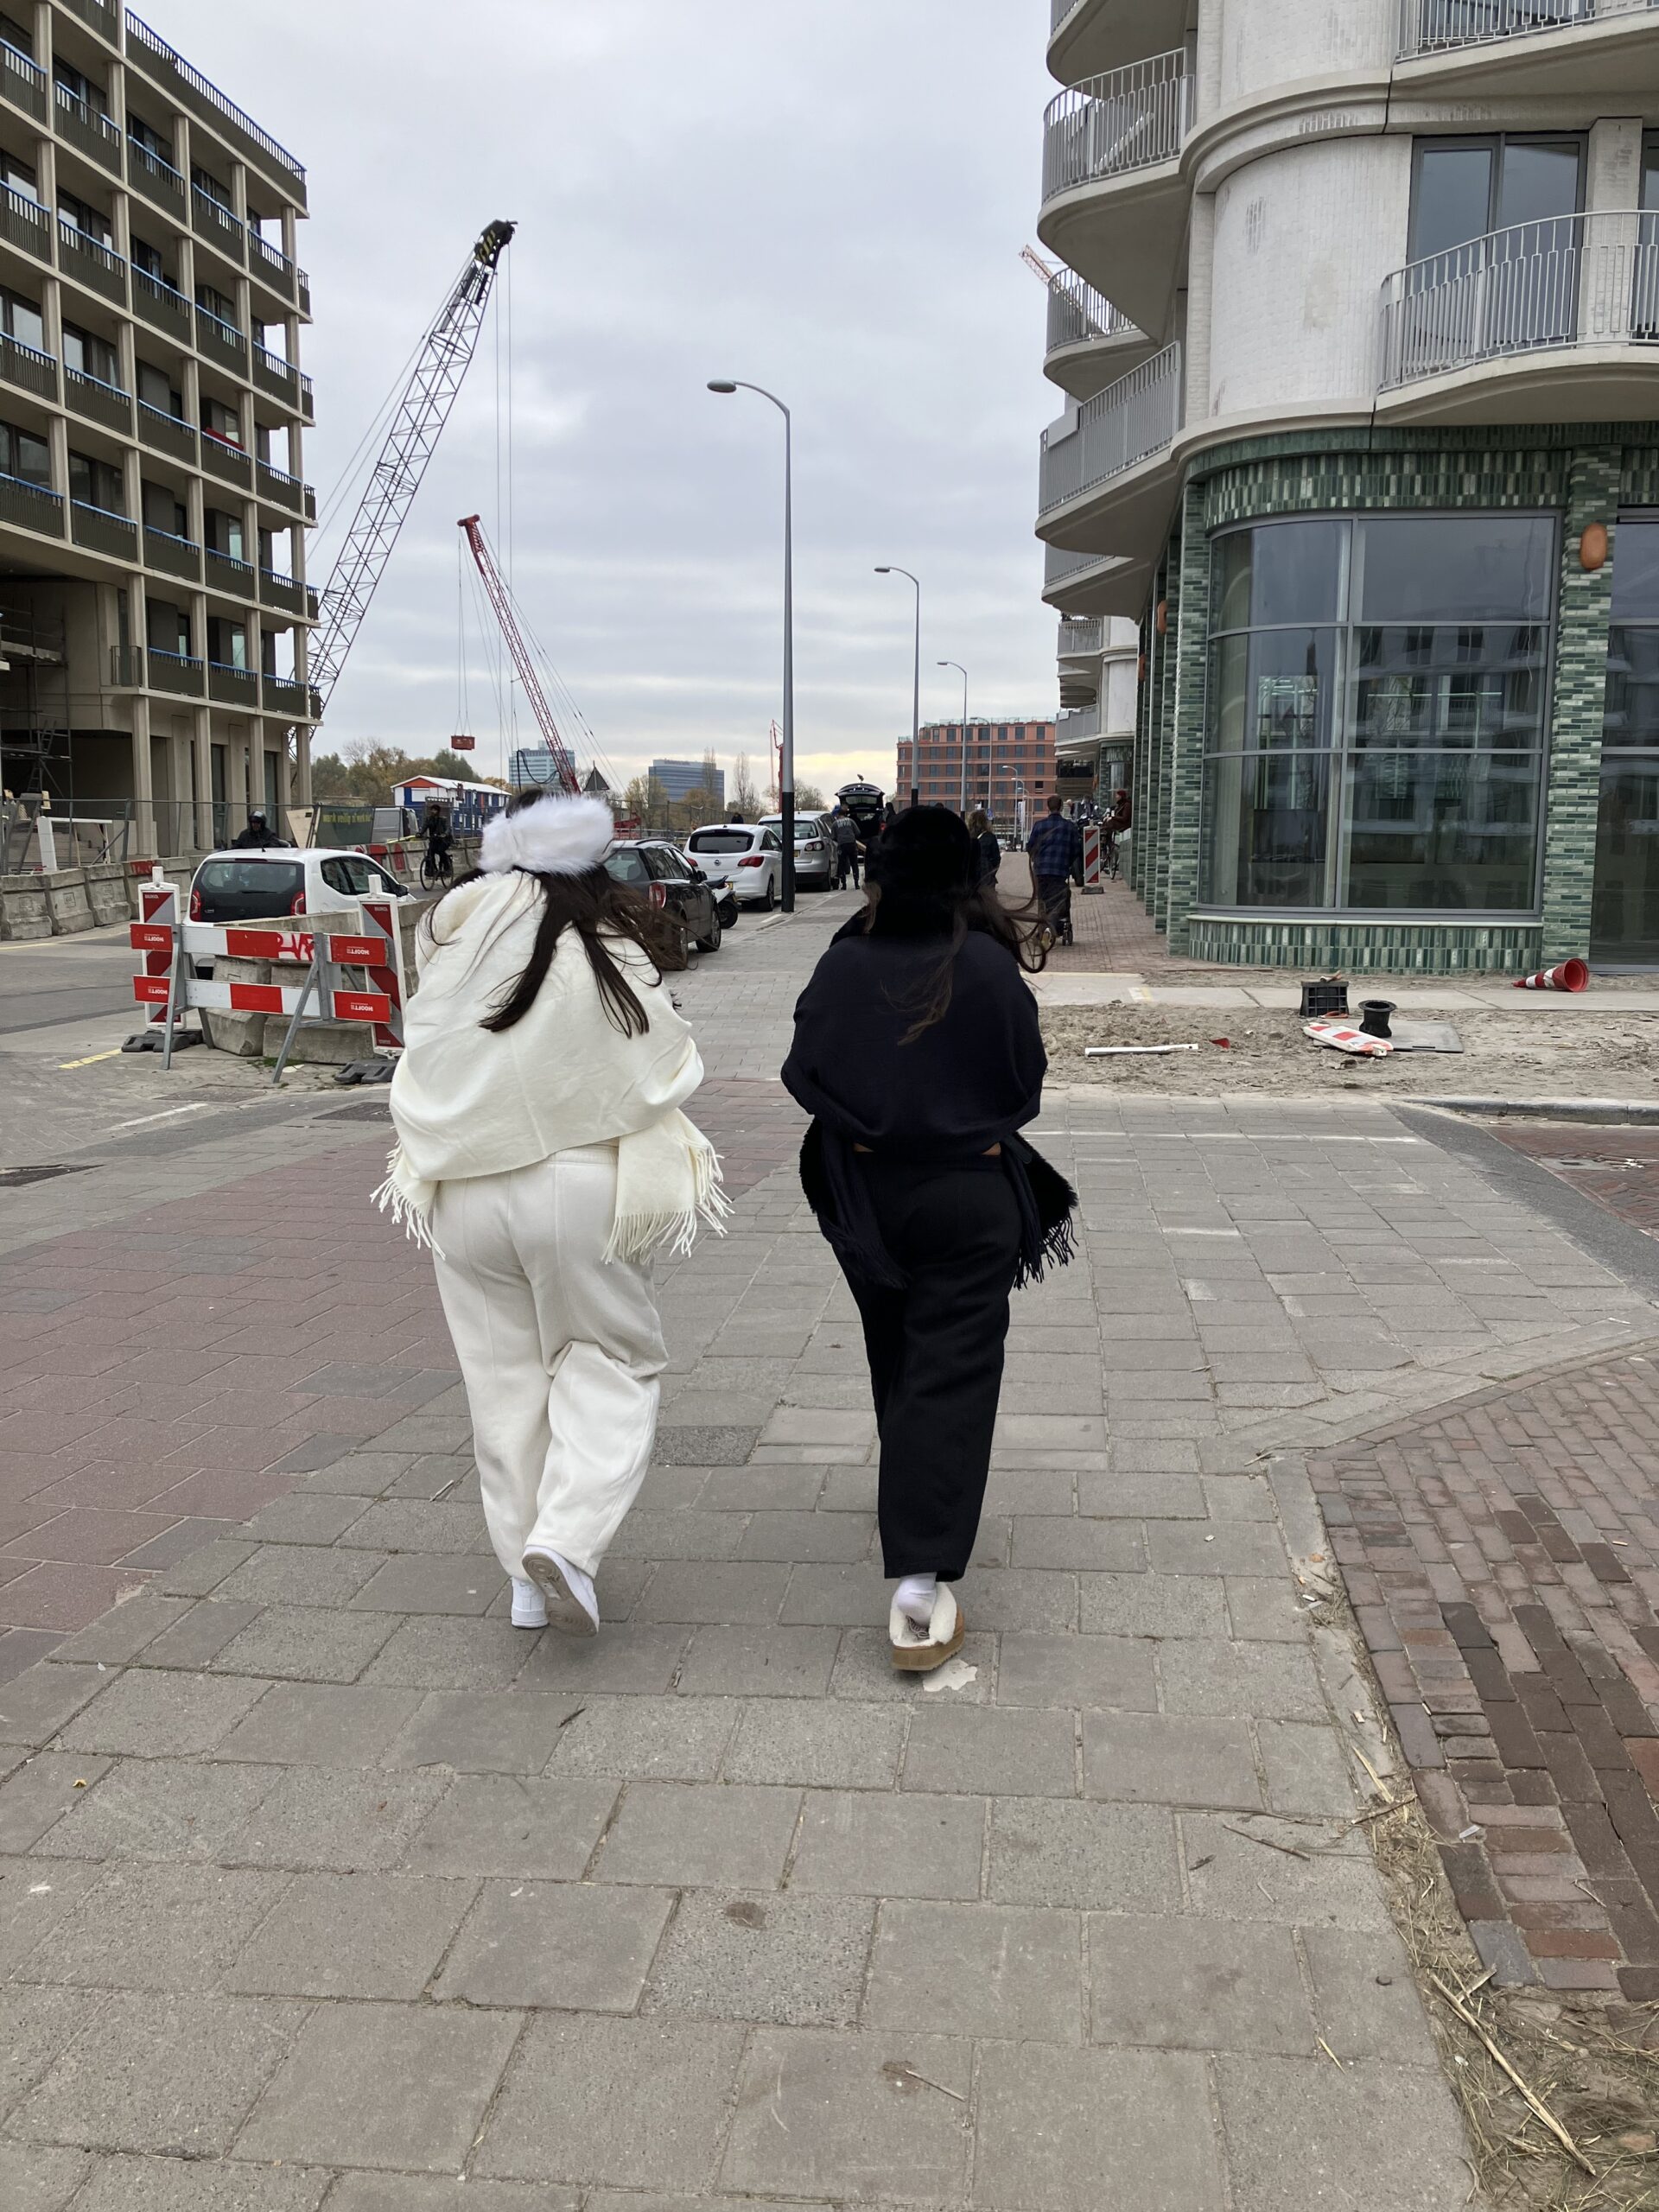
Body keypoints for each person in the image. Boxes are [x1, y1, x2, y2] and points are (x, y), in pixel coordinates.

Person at [375, 792, 728, 1637]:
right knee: (609, 1361)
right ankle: (567, 1540)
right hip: (574, 1191)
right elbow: (667, 1060)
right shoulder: (602, 943)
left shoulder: (456, 938)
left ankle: (523, 1586)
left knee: (502, 1385)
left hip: (459, 1190)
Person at [783, 808, 1075, 1672]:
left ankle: (909, 1501)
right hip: (967, 1189)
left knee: (896, 1345)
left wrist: (865, 1121)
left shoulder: (843, 961)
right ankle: (918, 1579)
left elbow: (804, 1071)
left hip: (862, 1193)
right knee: (951, 1367)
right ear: (969, 874)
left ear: (878, 870)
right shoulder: (986, 965)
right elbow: (1025, 1082)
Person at [1027, 793, 1083, 943]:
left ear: (1047, 807)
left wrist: (1037, 858)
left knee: (1043, 901)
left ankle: (1044, 928)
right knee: (1058, 900)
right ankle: (1051, 925)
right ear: (1060, 807)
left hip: (1041, 871)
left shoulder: (1039, 826)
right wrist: (1068, 862)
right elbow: (1077, 850)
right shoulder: (1069, 827)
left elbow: (1030, 847)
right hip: (1060, 871)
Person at [966, 808, 1001, 890]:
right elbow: (996, 859)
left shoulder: (966, 837)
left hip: (969, 879)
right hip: (986, 877)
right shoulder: (990, 837)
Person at [832, 808, 861, 889]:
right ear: (845, 814)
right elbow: (858, 832)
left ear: (838, 815)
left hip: (842, 846)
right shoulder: (851, 821)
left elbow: (833, 837)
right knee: (854, 864)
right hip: (852, 844)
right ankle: (856, 884)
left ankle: (844, 885)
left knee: (842, 864)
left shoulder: (835, 824)